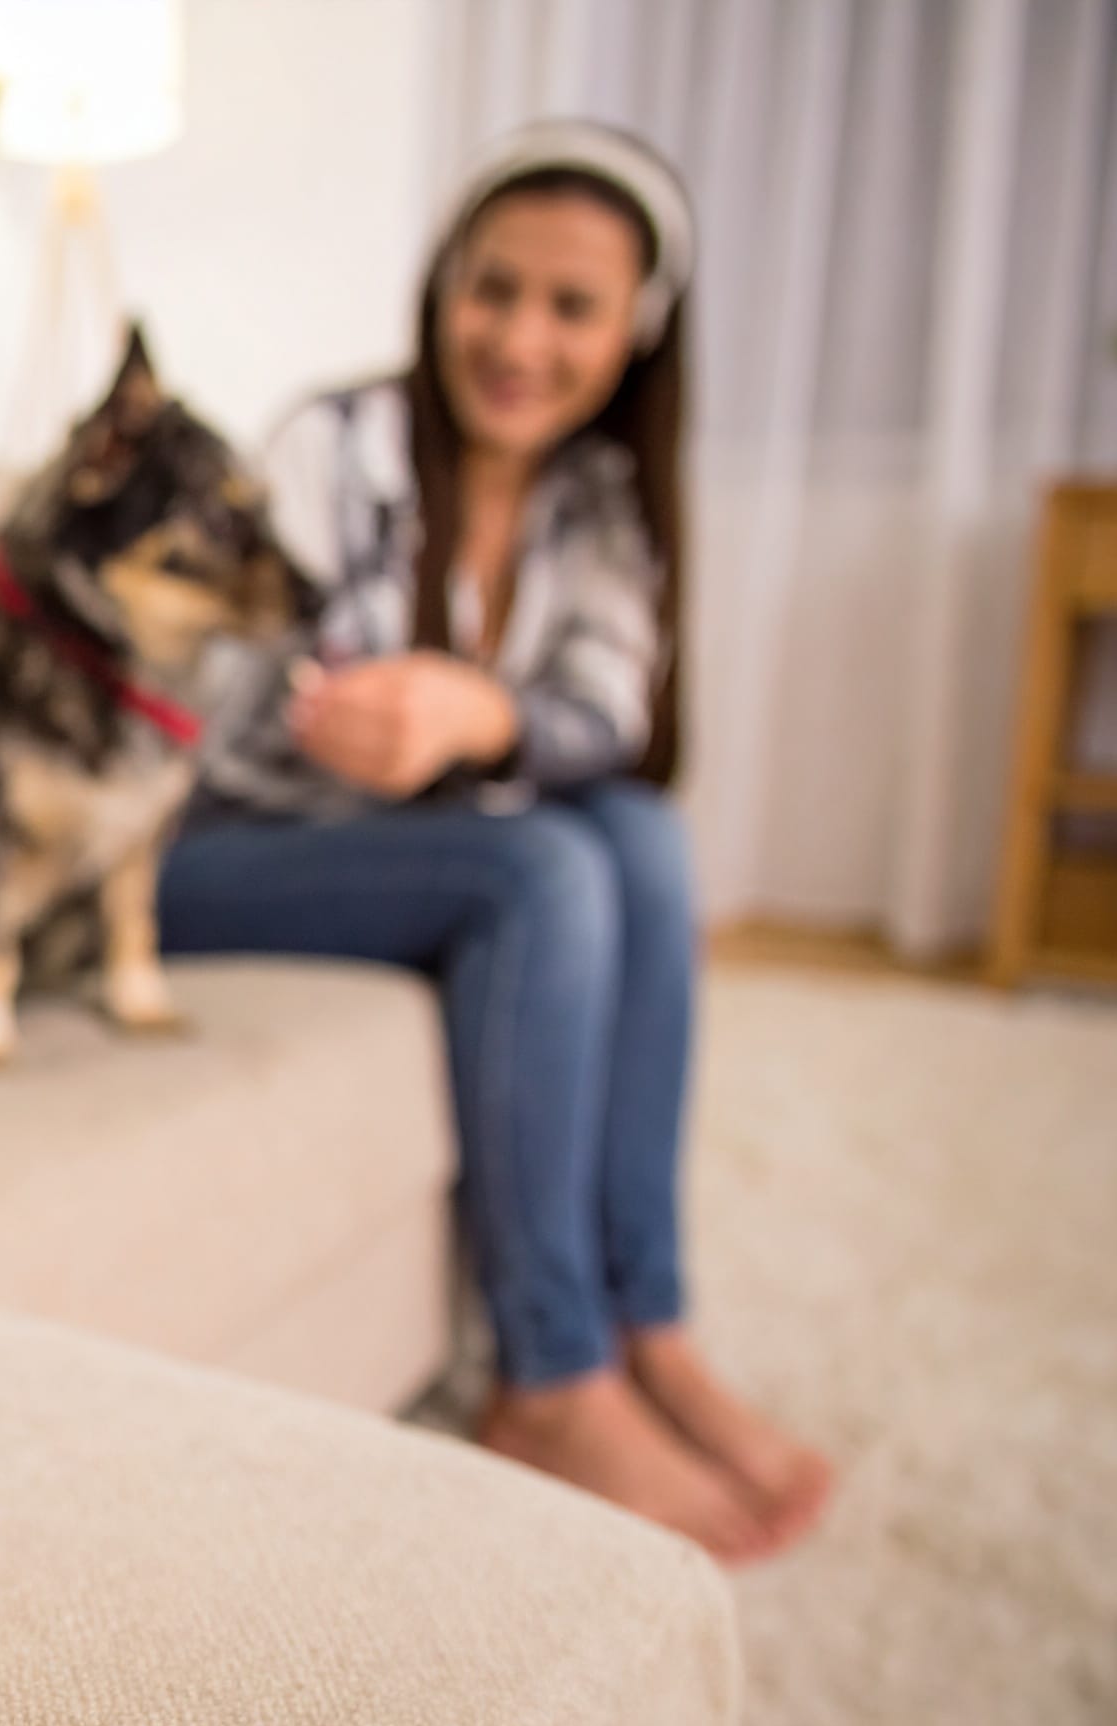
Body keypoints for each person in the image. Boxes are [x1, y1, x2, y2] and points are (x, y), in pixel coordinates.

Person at [160, 121, 831, 1563]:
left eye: (571, 306)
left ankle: (649, 1321)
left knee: (639, 835)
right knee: (541, 867)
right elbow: (211, 711)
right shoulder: (328, 445)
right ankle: (550, 1372)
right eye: (494, 289)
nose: (521, 340)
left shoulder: (602, 498)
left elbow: (609, 715)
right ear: (444, 284)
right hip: (218, 853)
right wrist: (358, 719)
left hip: (405, 846)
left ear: (638, 328)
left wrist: (478, 712)